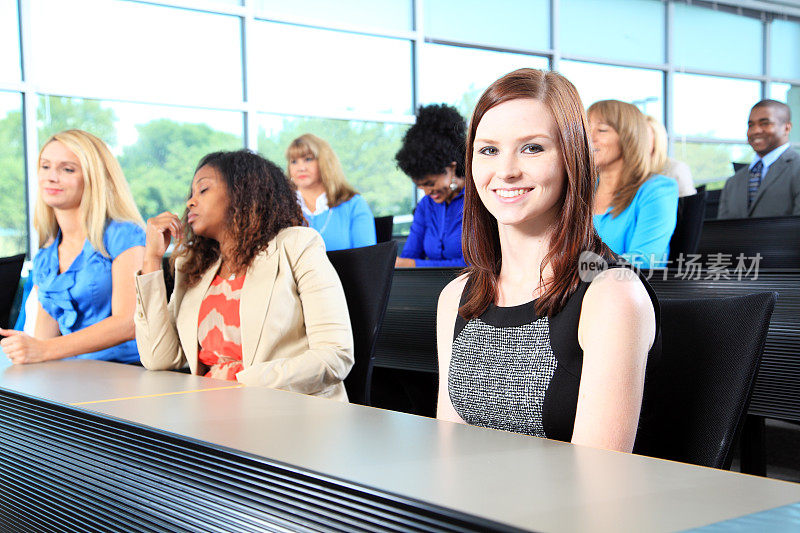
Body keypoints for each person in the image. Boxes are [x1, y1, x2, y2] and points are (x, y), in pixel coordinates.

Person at [436, 69, 660, 453]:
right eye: (488, 150)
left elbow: (595, 482)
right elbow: (449, 449)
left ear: (571, 158)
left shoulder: (612, 297)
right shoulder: (456, 296)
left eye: (532, 148)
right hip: (472, 508)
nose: (505, 171)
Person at [135, 149, 354, 401]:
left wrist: (237, 385)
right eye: (191, 193)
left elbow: (335, 355)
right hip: (209, 412)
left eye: (203, 190)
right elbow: (158, 357)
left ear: (243, 192)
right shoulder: (196, 267)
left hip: (283, 410)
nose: (190, 202)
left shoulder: (297, 245)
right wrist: (151, 259)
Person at [0, 130, 145, 364]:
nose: (51, 177)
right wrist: (27, 350)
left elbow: (128, 322)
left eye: (67, 169)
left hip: (125, 373)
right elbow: (42, 340)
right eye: (45, 166)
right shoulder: (46, 257)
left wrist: (44, 349)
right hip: (69, 376)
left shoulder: (124, 235)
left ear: (92, 177)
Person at [588, 100, 679, 267]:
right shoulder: (582, 192)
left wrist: (575, 269)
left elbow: (645, 259)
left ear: (629, 137)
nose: (589, 137)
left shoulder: (657, 189)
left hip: (627, 288)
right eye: (586, 129)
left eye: (601, 130)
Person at [394, 104, 467, 267]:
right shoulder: (426, 206)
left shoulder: (478, 202)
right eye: (420, 186)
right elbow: (408, 256)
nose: (427, 192)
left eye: (430, 184)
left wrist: (413, 265)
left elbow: (473, 265)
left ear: (452, 168)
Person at [286, 134, 376, 251]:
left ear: (324, 162)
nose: (301, 168)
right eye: (294, 161)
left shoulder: (354, 204)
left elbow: (368, 259)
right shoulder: (281, 207)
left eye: (308, 159)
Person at [718, 99, 800, 219]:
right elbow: (722, 232)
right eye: (751, 125)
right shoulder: (733, 182)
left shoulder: (797, 170)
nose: (755, 131)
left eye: (765, 123)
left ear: (787, 128)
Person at [645, 115, 696, 197]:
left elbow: (690, 206)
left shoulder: (676, 169)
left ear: (657, 138)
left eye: (644, 135)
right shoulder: (630, 170)